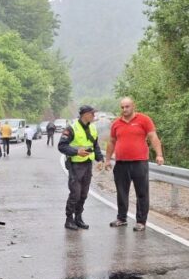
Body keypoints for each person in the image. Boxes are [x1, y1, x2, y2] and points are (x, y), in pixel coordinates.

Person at [104, 97, 164, 231]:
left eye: (127, 107)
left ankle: (141, 221)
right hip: (121, 163)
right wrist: (108, 159)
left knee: (142, 193)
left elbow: (153, 137)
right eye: (122, 107)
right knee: (121, 192)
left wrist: (159, 154)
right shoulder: (116, 123)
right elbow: (112, 142)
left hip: (139, 162)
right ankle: (121, 218)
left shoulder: (144, 120)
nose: (124, 109)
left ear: (133, 106)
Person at [59, 105, 104, 230]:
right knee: (75, 194)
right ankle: (69, 219)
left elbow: (95, 146)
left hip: (88, 165)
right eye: (92, 113)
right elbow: (62, 146)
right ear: (85, 114)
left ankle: (78, 218)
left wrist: (100, 159)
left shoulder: (93, 128)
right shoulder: (72, 128)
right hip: (75, 166)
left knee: (84, 194)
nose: (94, 116)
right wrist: (77, 151)